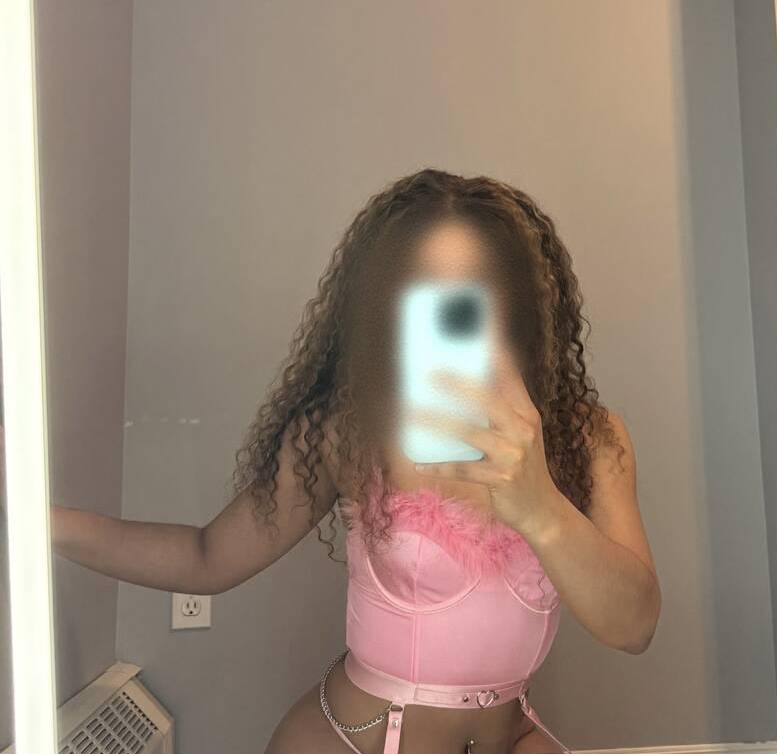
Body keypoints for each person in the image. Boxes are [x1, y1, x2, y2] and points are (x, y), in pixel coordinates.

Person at [35, 169, 661, 753]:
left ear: (519, 302)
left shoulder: (588, 439)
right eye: (423, 292)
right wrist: (38, 522)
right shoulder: (350, 431)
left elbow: (634, 628)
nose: (449, 315)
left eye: (473, 291)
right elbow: (206, 557)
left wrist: (540, 506)